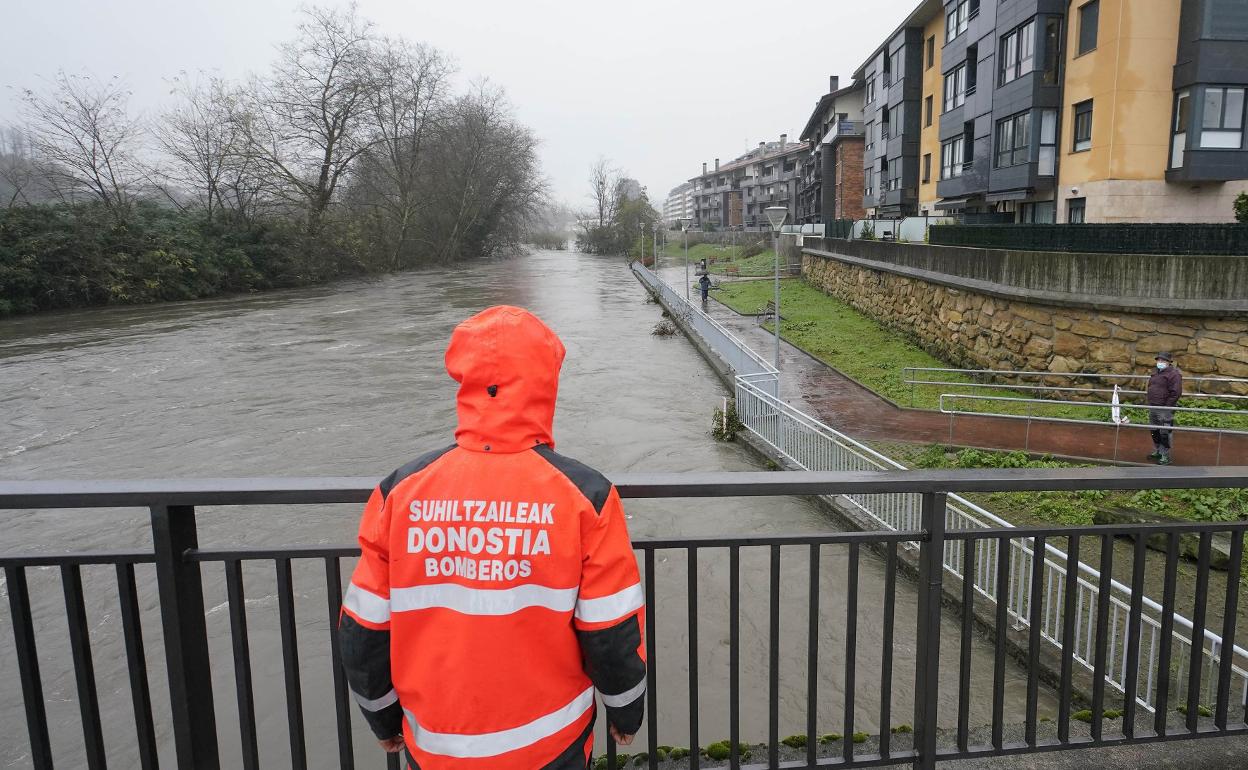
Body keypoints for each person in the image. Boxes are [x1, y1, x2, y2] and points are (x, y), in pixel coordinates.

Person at [339, 306, 647, 769]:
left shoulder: (399, 491)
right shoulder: (585, 496)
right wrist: (626, 711)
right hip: (550, 745)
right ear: (546, 383)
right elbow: (610, 628)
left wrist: (383, 718)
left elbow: (363, 628)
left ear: (464, 381)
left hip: (436, 744)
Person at [1146, 351, 1183, 465]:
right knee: (1154, 430)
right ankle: (1157, 450)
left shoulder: (1174, 374)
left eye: (1163, 360)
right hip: (1153, 405)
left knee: (1165, 432)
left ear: (1168, 362)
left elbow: (1176, 393)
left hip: (1165, 408)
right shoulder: (1156, 372)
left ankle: (1165, 455)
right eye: (1158, 360)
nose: (1160, 362)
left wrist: (1167, 407)